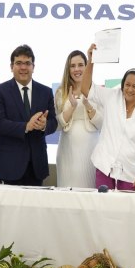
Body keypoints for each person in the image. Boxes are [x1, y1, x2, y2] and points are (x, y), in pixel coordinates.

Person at [81, 44, 135, 191]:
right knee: (102, 208)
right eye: (127, 85)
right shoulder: (112, 96)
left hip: (131, 174)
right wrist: (91, 61)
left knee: (126, 212)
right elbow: (85, 89)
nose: (129, 89)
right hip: (104, 167)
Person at [0, 44, 57, 186]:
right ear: (11, 66)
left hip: (36, 167)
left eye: (27, 63)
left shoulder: (45, 92)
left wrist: (44, 125)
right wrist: (26, 126)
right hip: (7, 166)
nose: (23, 67)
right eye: (18, 63)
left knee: (34, 208)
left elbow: (53, 122)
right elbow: (0, 124)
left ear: (33, 66)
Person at [54, 50, 101, 188]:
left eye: (80, 65)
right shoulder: (60, 92)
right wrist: (72, 107)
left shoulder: (96, 91)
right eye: (72, 66)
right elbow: (56, 125)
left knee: (89, 191)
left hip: (91, 148)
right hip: (67, 150)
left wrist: (88, 106)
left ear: (87, 66)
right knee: (67, 189)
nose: (76, 69)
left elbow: (103, 124)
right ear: (68, 69)